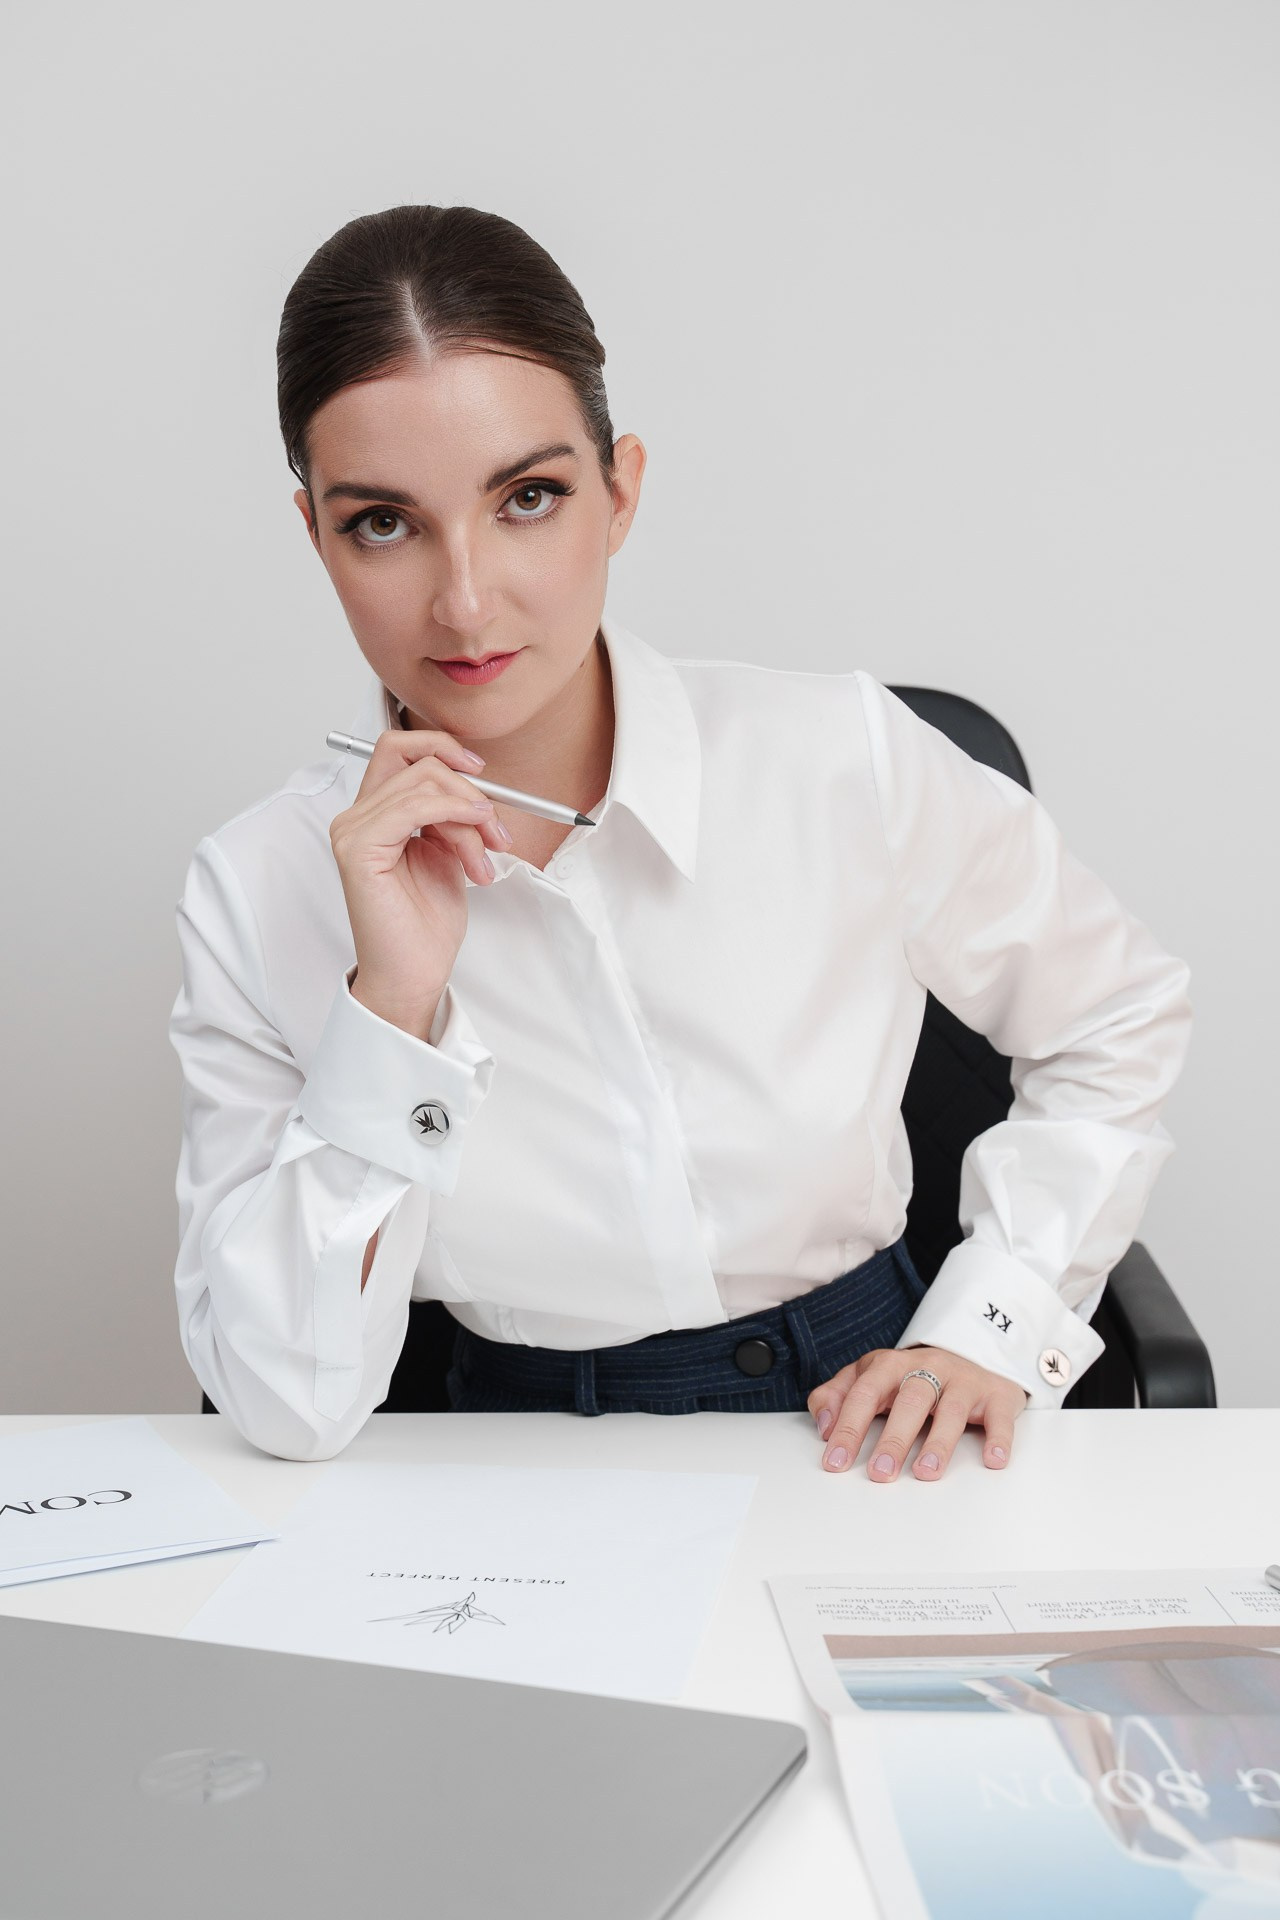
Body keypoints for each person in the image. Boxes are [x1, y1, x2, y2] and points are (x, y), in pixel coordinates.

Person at [168, 203, 1192, 1466]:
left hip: (865, 1432)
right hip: (510, 1471)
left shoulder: (838, 758)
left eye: (527, 498)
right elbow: (284, 1403)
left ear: (619, 492)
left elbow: (1116, 1012)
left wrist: (993, 1322)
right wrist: (391, 1010)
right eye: (382, 522)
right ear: (316, 537)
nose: (466, 599)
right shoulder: (258, 887)